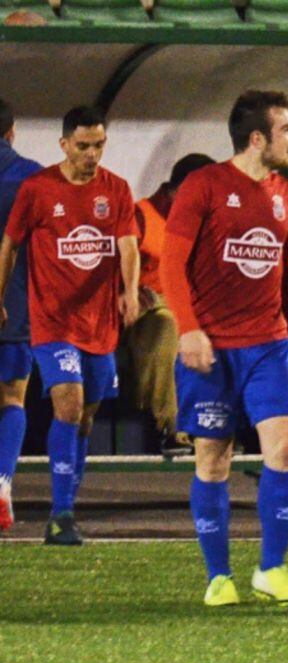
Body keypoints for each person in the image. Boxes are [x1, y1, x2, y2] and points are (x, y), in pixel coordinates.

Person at [161, 90, 288, 607]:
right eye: (287, 129)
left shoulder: (284, 192)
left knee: (284, 451)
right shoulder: (203, 187)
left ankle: (271, 569)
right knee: (212, 460)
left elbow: (283, 269)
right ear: (257, 138)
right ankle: (219, 576)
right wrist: (188, 328)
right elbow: (171, 265)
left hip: (269, 344)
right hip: (212, 347)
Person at [0, 105, 140, 545]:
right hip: (51, 321)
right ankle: (58, 515)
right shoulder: (38, 188)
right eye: (83, 146)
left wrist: (130, 291)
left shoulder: (116, 190)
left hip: (99, 323)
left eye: (99, 145)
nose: (92, 154)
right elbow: (10, 245)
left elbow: (128, 246)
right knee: (67, 404)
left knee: (85, 417)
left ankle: (65, 507)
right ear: (64, 144)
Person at [122, 153, 214, 452]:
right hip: (145, 312)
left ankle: (215, 427)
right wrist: (132, 291)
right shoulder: (142, 214)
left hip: (186, 310)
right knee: (167, 325)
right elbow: (116, 270)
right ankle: (170, 426)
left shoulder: (201, 224)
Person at [0, 98, 44, 532]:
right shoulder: (33, 177)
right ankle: (2, 485)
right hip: (14, 307)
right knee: (12, 398)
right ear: (11, 132)